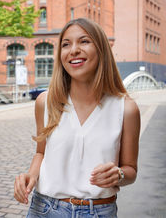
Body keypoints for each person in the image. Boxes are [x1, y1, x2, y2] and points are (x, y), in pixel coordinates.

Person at [14, 18, 141, 218]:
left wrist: (119, 175)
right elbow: (41, 153)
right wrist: (30, 176)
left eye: (84, 41)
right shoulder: (45, 102)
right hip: (44, 209)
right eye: (66, 44)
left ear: (101, 50)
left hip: (99, 212)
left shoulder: (126, 108)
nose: (73, 50)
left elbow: (131, 170)